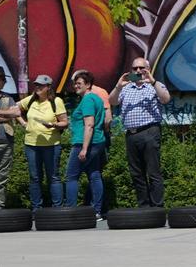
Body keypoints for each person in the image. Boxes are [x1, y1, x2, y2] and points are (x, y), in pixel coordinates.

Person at [111, 57, 171, 207]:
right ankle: (144, 206)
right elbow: (112, 101)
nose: (138, 71)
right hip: (131, 134)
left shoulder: (154, 86)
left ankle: (157, 206)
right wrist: (118, 86)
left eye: (141, 68)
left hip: (149, 131)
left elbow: (165, 99)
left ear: (148, 70)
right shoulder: (126, 87)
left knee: (153, 171)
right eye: (134, 68)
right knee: (136, 173)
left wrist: (153, 81)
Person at [64, 71, 110, 217]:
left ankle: (71, 210)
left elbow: (89, 125)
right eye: (75, 84)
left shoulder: (88, 100)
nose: (76, 86)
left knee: (71, 176)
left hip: (84, 144)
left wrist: (84, 148)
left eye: (79, 84)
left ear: (88, 85)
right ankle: (96, 211)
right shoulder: (97, 99)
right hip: (97, 142)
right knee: (94, 174)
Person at [21, 76, 66, 209]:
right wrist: (23, 122)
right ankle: (36, 209)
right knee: (34, 178)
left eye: (41, 85)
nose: (38, 88)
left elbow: (64, 122)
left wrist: (53, 125)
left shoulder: (56, 101)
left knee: (53, 177)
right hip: (31, 145)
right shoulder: (30, 99)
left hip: (51, 145)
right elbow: (15, 109)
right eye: (36, 85)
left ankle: (57, 208)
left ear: (48, 87)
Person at [0, 87, 18, 207]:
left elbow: (16, 113)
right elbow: (10, 115)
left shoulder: (8, 97)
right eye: (1, 79)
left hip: (6, 140)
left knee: (2, 176)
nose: (4, 82)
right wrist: (6, 116)